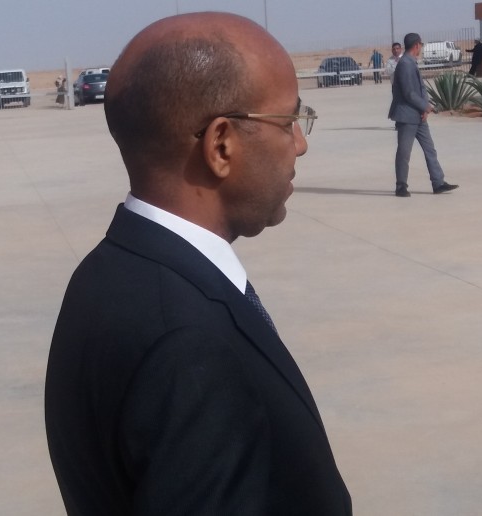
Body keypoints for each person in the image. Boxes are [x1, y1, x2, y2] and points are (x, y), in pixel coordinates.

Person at [45, 12, 351, 515]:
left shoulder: (105, 274)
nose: (301, 143)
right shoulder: (189, 345)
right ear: (221, 145)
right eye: (288, 121)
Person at [389, 33, 459, 197]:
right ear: (416, 45)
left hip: (419, 116)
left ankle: (438, 183)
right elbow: (409, 93)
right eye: (420, 44)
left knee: (430, 149)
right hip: (407, 116)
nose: (421, 47)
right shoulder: (405, 64)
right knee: (404, 152)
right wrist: (426, 107)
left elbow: (420, 89)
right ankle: (401, 186)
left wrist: (423, 109)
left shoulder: (411, 62)